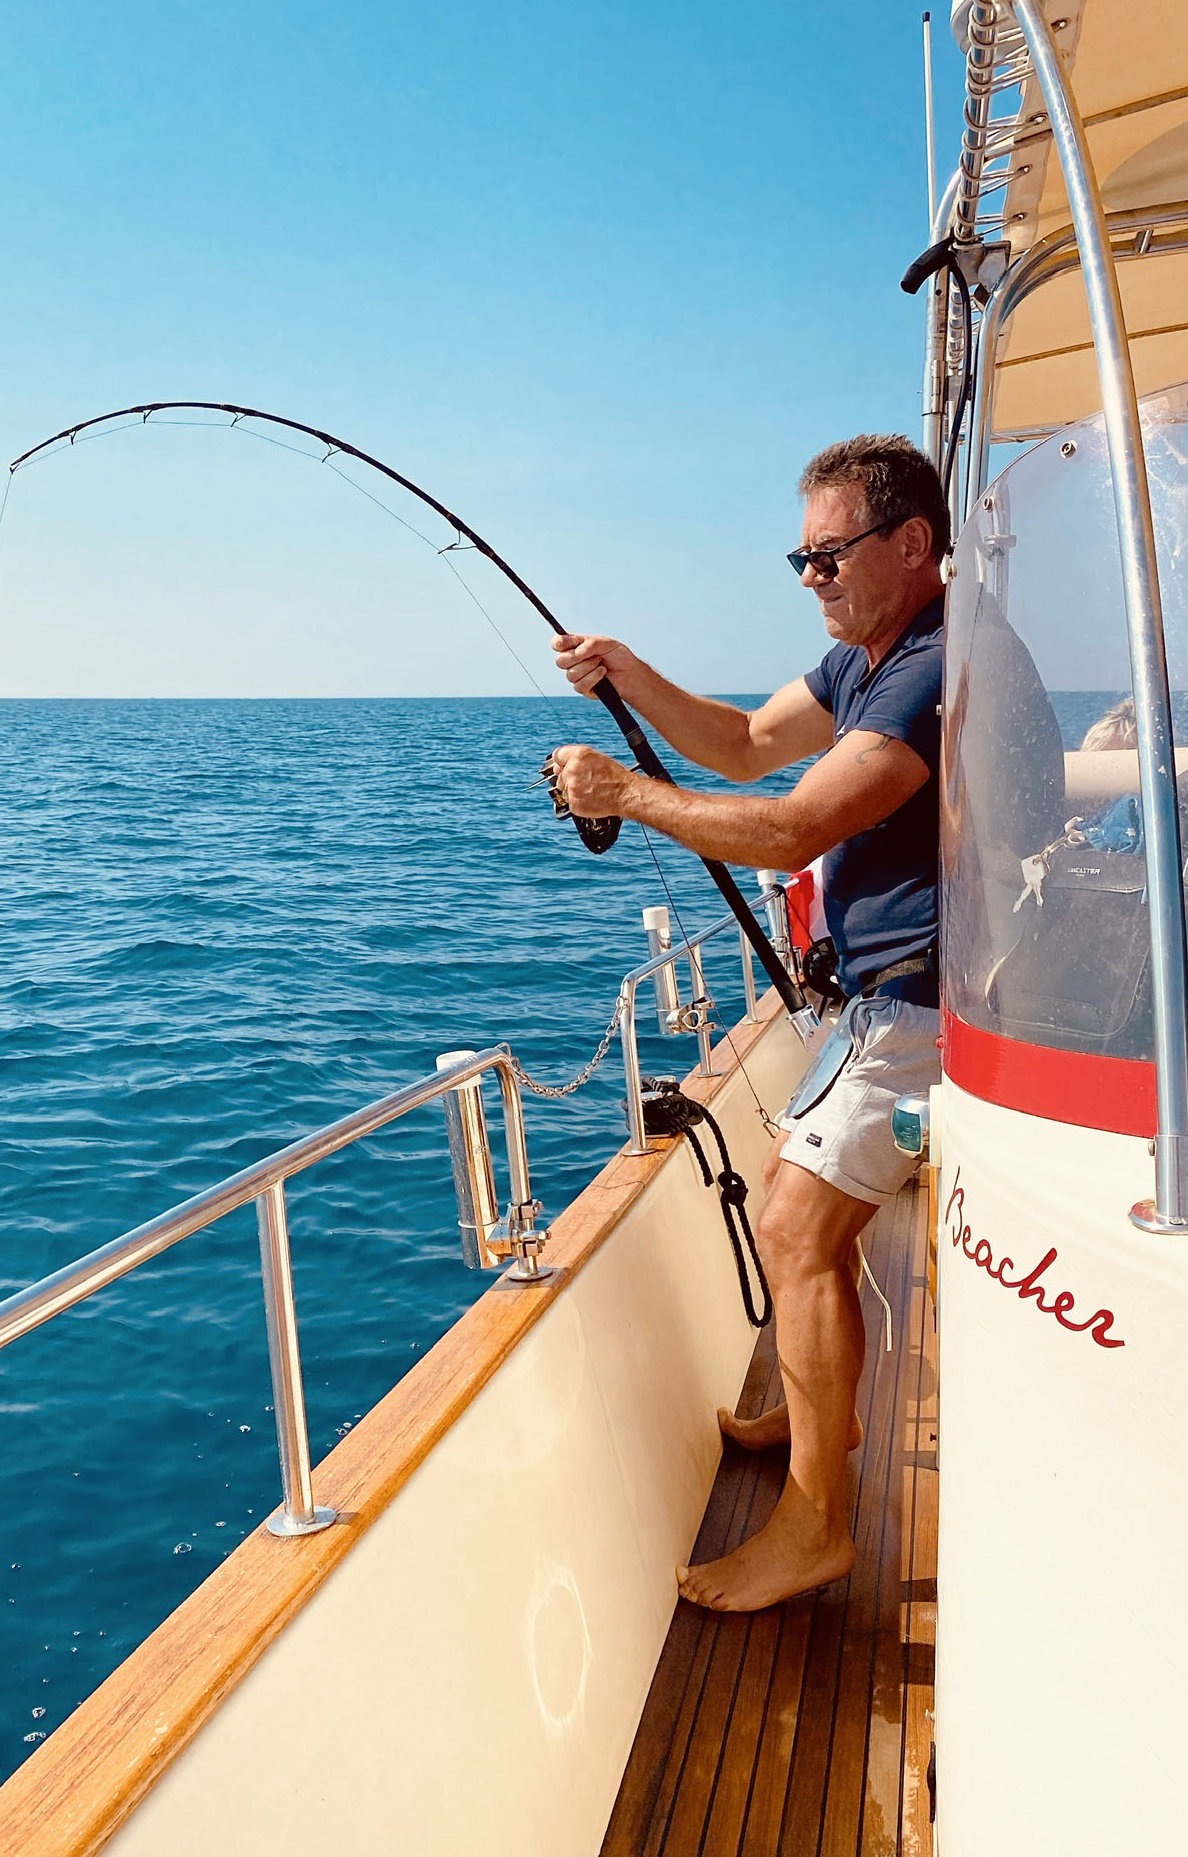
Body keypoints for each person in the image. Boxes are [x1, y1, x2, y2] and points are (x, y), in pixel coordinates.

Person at [548, 433, 946, 1613]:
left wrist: (622, 792)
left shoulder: (927, 669)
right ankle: (815, 1408)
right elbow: (738, 744)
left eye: (828, 555)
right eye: (800, 558)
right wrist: (628, 675)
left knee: (793, 1226)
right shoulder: (865, 662)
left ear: (910, 544)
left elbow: (786, 828)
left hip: (924, 1005)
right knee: (794, 1198)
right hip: (884, 999)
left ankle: (818, 1520)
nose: (810, 578)